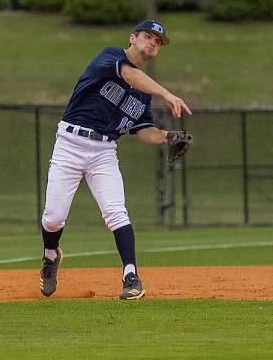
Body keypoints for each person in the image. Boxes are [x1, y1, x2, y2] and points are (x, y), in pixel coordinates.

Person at [39, 19, 192, 300]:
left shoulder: (144, 95)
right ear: (132, 38)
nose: (152, 43)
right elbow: (129, 75)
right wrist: (166, 94)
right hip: (70, 144)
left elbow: (143, 131)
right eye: (148, 36)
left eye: (157, 42)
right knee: (53, 218)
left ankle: (130, 276)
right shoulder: (111, 56)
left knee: (116, 212)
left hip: (103, 152)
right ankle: (50, 257)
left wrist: (168, 135)